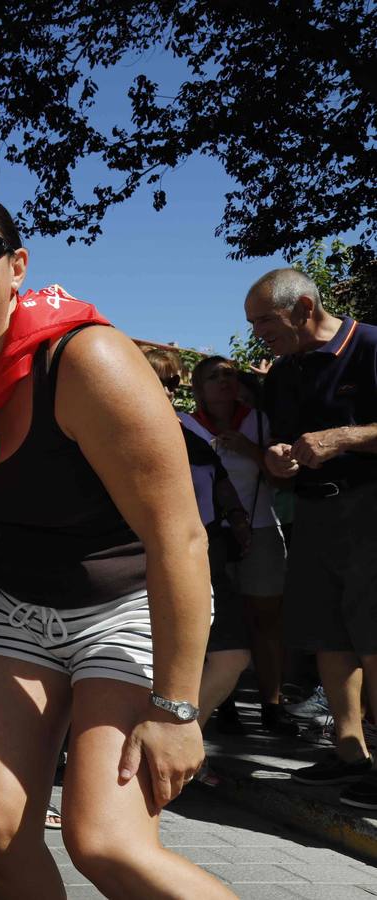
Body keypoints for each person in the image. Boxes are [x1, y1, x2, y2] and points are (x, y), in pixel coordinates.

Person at [0, 181, 230, 898]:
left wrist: (177, 710)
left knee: (105, 842)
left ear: (16, 265)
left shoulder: (87, 360)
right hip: (13, 609)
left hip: (125, 607)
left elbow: (179, 537)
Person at [245, 268, 377, 809]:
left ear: (303, 307)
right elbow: (280, 450)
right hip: (313, 512)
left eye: (265, 322)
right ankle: (348, 752)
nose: (258, 335)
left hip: (370, 506)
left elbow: (343, 438)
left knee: (373, 633)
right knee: (329, 633)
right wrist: (276, 459)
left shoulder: (369, 345)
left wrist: (346, 437)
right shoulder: (281, 374)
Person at [143, 349, 253, 734]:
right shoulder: (118, 433)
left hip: (206, 559)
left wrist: (239, 521)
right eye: (158, 380)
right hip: (145, 566)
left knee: (232, 655)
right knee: (148, 664)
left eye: (173, 382)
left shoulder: (190, 433)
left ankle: (179, 739)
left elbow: (221, 482)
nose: (168, 390)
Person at [185, 354, 292, 733]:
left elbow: (284, 482)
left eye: (229, 375)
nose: (225, 382)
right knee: (212, 624)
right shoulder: (183, 425)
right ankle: (221, 705)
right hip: (208, 535)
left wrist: (251, 450)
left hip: (260, 526)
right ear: (197, 388)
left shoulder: (259, 422)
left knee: (266, 621)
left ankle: (272, 706)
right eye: (214, 377)